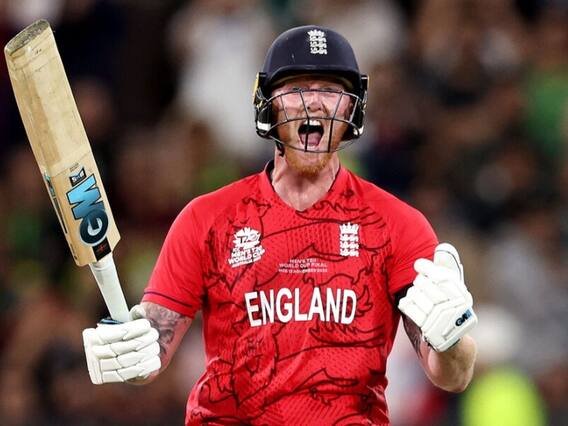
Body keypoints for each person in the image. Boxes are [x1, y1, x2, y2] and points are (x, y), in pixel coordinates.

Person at [82, 25, 478, 425]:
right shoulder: (206, 219)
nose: (314, 103)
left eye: (330, 90)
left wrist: (452, 340)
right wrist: (128, 351)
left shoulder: (397, 225)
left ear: (351, 109)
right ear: (268, 105)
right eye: (297, 89)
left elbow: (454, 376)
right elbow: (151, 357)